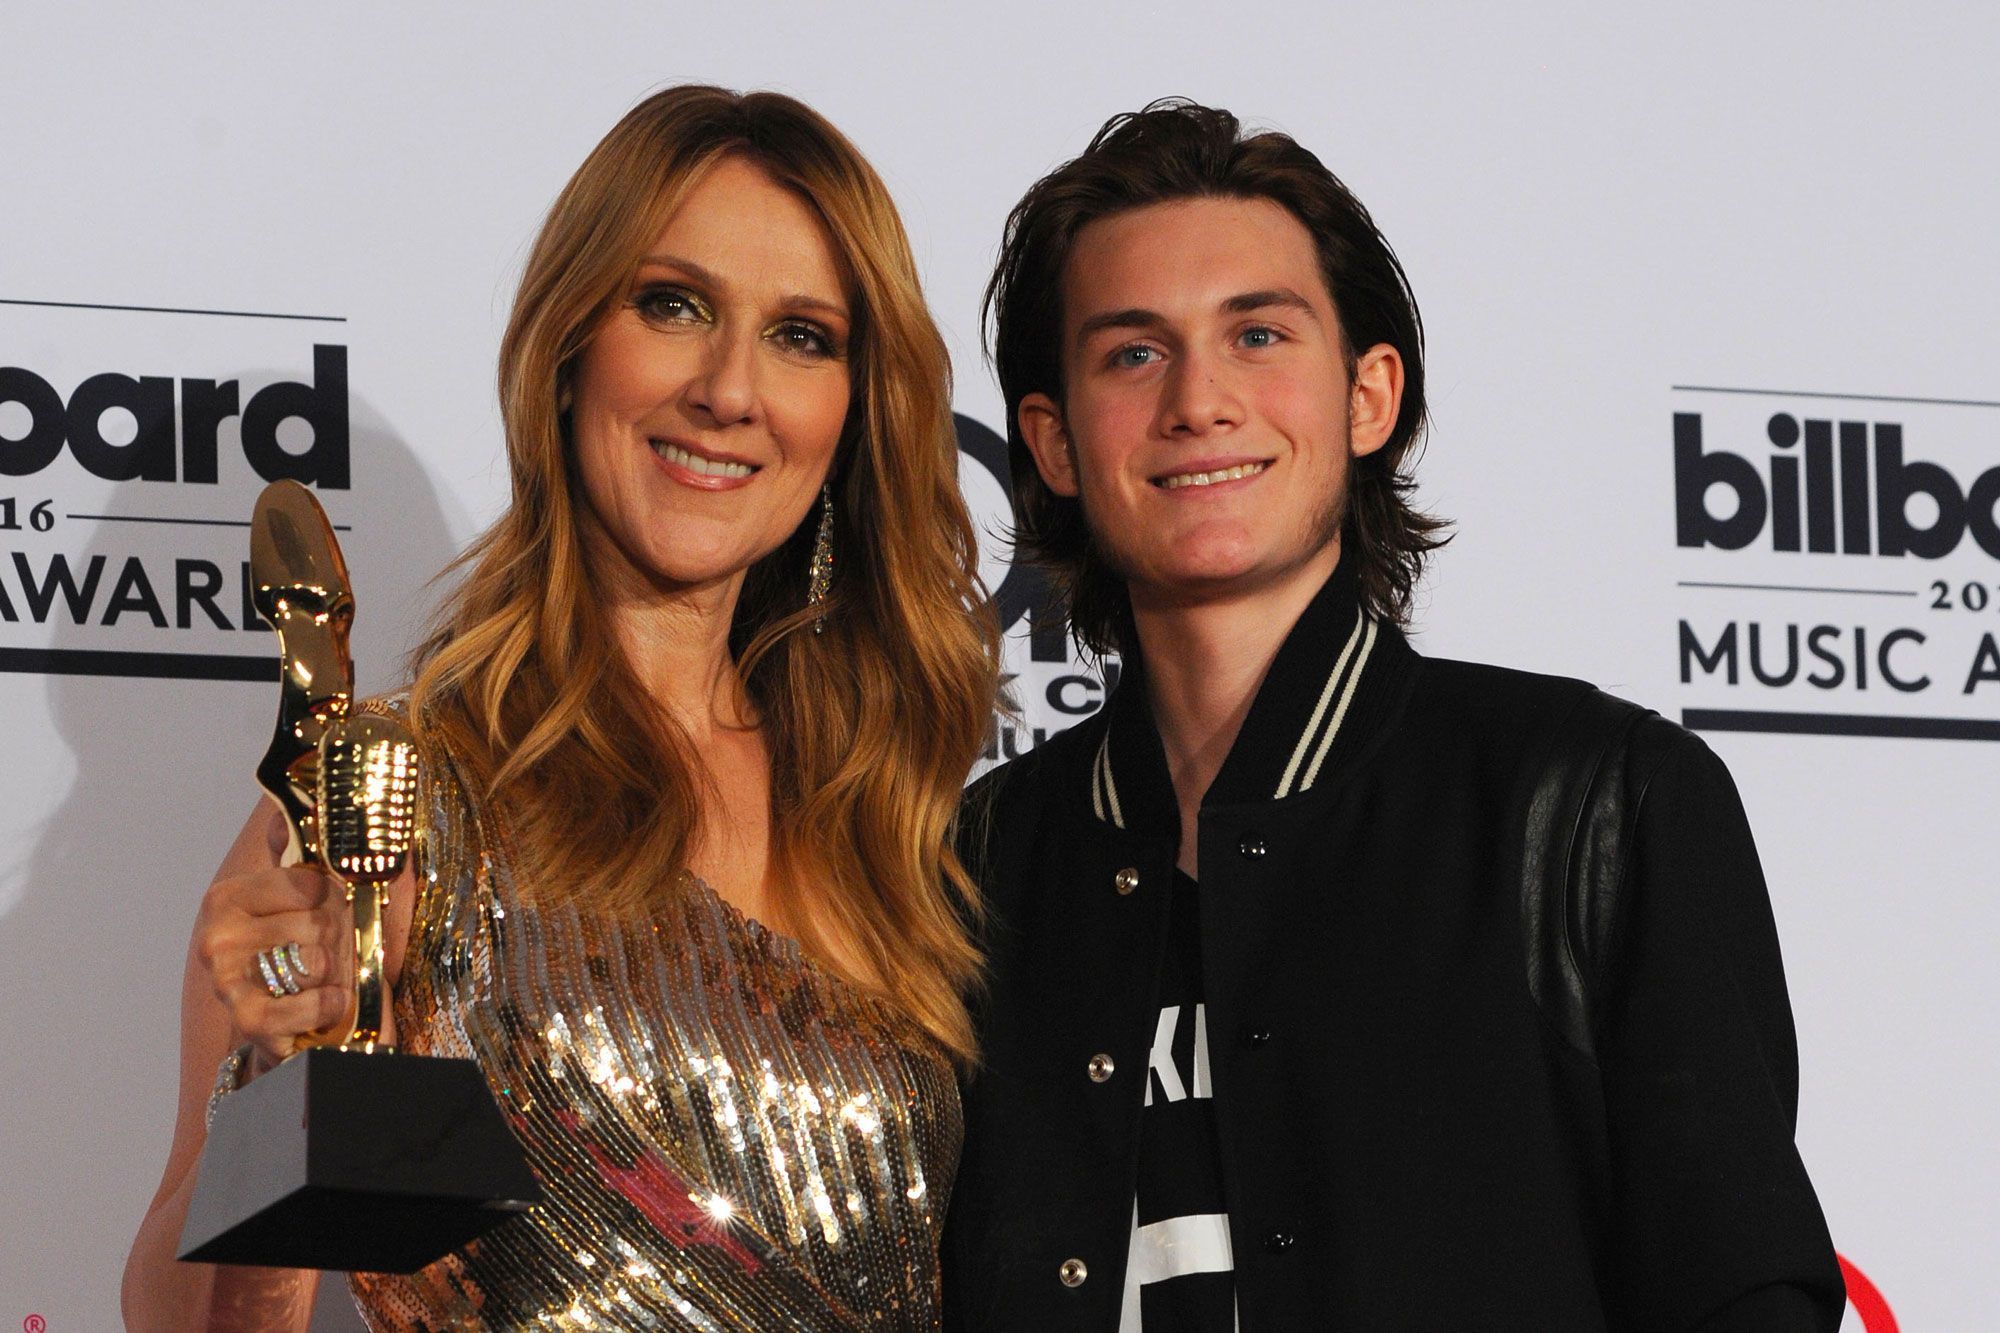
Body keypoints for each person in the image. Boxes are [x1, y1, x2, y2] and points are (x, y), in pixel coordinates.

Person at [945, 100, 1843, 1331]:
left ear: (1368, 396)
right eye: (1132, 354)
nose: (1198, 401)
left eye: (1257, 334)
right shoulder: (973, 865)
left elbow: (1740, 1293)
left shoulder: (1592, 802)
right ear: (1049, 443)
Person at [123, 85, 999, 1331]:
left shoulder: (890, 818)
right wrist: (281, 1073)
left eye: (802, 335)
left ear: (854, 409)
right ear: (569, 346)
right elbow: (188, 1319)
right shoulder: (397, 795)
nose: (730, 388)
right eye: (673, 305)